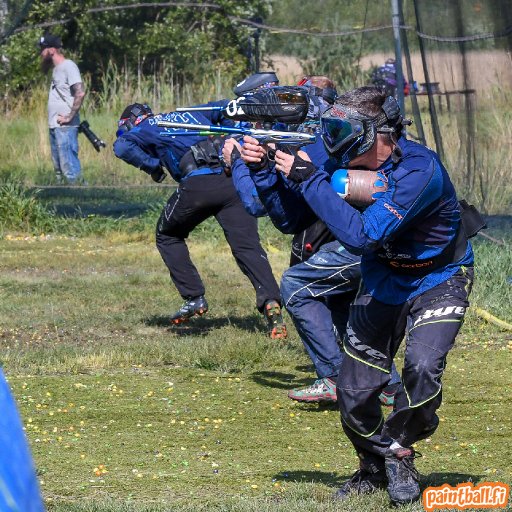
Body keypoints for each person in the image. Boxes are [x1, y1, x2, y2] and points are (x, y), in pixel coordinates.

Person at [240, 86, 475, 505]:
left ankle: (399, 451)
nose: (332, 138)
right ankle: (372, 465)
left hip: (439, 277)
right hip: (383, 279)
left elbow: (363, 235)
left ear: (376, 132)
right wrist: (264, 172)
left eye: (340, 128)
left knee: (422, 367)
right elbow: (289, 218)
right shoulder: (340, 161)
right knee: (353, 389)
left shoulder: (420, 170)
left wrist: (309, 177)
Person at [225, 76, 400, 404]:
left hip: (376, 241)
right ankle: (387, 385)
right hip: (364, 239)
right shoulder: (325, 141)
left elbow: (256, 205)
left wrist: (240, 163)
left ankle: (335, 376)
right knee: (338, 303)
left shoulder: (319, 145)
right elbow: (290, 219)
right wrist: (262, 166)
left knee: (296, 285)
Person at [113, 101, 287, 339]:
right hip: (231, 181)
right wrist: (231, 140)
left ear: (133, 122)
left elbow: (122, 147)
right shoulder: (188, 112)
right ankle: (272, 306)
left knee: (168, 235)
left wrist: (154, 167)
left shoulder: (146, 126)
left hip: (198, 182)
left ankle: (194, 298)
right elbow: (224, 108)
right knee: (247, 246)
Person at [39, 33, 86, 184]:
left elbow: (80, 92)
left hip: (65, 126)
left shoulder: (68, 66)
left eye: (43, 49)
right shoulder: (56, 69)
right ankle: (63, 195)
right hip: (55, 125)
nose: (41, 53)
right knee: (59, 168)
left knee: (69, 168)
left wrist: (69, 116)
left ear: (51, 50)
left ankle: (80, 196)